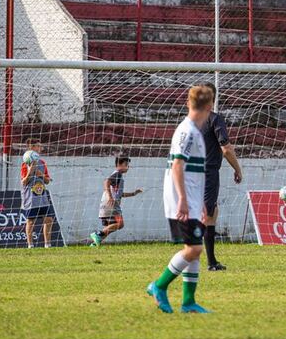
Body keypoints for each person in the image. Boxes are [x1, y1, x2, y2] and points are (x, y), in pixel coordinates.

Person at [147, 85, 215, 314]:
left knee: (193, 247)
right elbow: (177, 166)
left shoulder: (193, 130)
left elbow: (193, 171)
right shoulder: (187, 131)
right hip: (182, 199)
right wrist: (184, 200)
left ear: (188, 103)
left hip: (192, 199)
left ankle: (188, 302)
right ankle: (159, 285)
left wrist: (200, 202)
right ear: (210, 106)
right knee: (195, 249)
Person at [201, 83, 243, 271]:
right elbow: (226, 149)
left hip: (186, 172)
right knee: (208, 215)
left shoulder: (187, 121)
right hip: (207, 172)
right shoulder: (214, 119)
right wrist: (237, 169)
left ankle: (209, 260)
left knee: (210, 212)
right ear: (213, 99)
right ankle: (210, 263)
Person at [91, 155, 143, 246]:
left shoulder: (119, 177)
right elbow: (106, 181)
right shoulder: (117, 174)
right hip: (112, 203)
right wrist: (110, 197)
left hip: (107, 203)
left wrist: (134, 193)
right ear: (119, 164)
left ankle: (95, 244)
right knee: (120, 224)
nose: (128, 167)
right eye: (126, 164)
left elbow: (120, 194)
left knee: (111, 226)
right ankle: (97, 234)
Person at [21, 139, 55, 248]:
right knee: (30, 221)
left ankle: (47, 245)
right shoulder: (25, 164)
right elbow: (24, 182)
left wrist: (41, 175)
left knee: (49, 219)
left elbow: (48, 181)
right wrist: (31, 171)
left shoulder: (43, 163)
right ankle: (30, 245)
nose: (41, 148)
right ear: (32, 148)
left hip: (42, 196)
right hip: (30, 198)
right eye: (38, 146)